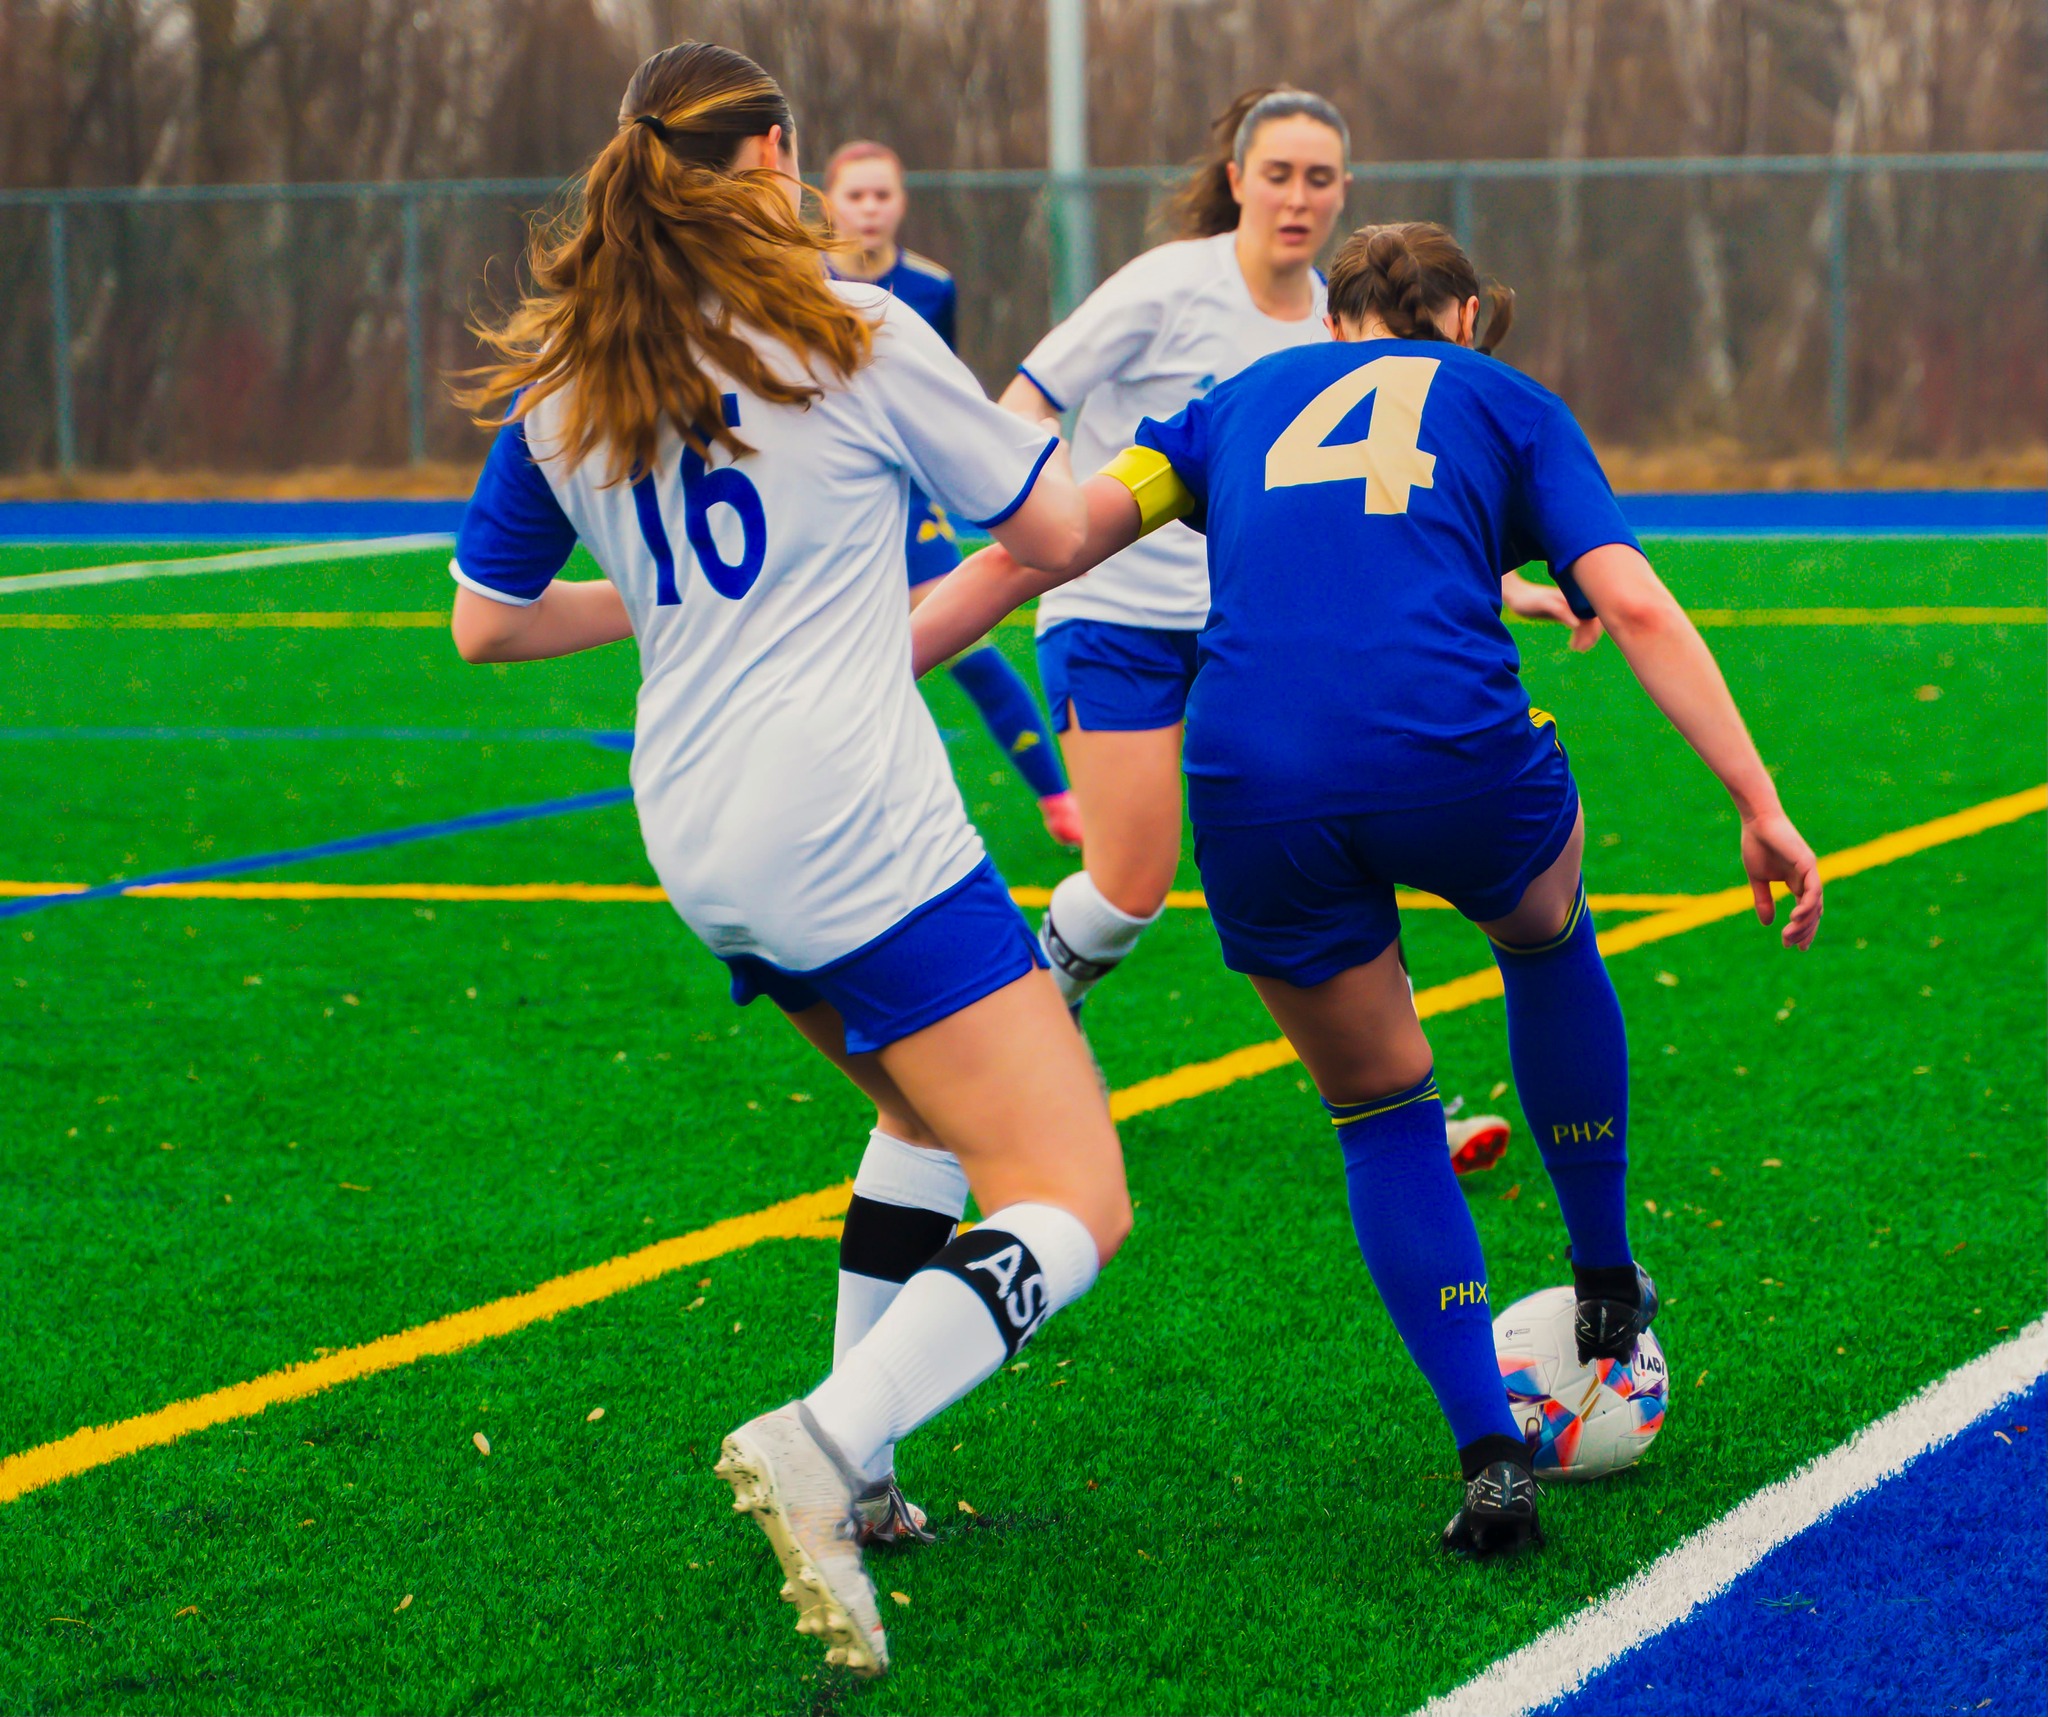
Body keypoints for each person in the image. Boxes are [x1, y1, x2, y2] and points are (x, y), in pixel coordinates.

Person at [911, 221, 1824, 1558]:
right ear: (1463, 319)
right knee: (1547, 932)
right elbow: (1630, 604)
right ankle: (1602, 1272)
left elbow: (1045, 547)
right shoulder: (1507, 398)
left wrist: (881, 662)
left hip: (1254, 782)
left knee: (1382, 1107)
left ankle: (1489, 1462)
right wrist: (1758, 800)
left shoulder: (1233, 400)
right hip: (1451, 759)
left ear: (1332, 321)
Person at [447, 43, 1130, 1675]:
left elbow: (486, 626)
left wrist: (674, 606)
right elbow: (1052, 538)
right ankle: (827, 1440)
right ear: (771, 154)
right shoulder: (851, 328)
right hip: (852, 825)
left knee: (921, 1114)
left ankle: (868, 1478)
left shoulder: (574, 369)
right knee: (1072, 1195)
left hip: (700, 837)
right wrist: (1183, 468)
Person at [1000, 85, 1551, 1168]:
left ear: (1344, 192)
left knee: (1344, 838)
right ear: (1237, 180)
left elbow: (1376, 495)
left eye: (1319, 179)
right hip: (1115, 617)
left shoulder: (1338, 321)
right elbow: (1023, 399)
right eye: (1278, 175)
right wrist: (1051, 520)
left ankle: (1407, 1101)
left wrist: (1503, 579)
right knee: (1128, 888)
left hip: (1256, 630)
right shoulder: (1166, 285)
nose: (1298, 197)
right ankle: (1021, 1025)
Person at [824, 138, 1082, 848]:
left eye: (882, 195)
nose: (869, 209)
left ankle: (1058, 795)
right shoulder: (799, 283)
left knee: (964, 641)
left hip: (906, 494)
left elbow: (935, 393)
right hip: (827, 494)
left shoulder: (931, 288)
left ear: (901, 203)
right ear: (829, 202)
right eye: (855, 195)